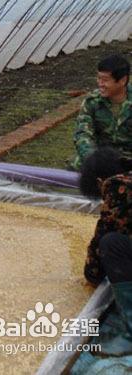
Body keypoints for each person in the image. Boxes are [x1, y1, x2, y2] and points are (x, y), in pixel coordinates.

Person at [79, 147, 132, 356]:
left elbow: (104, 233)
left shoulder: (118, 187)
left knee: (112, 244)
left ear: (100, 182)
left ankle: (130, 335)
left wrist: (91, 273)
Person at [70, 54, 132, 170]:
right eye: (99, 78)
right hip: (100, 157)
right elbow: (82, 133)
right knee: (78, 164)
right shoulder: (92, 102)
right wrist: (93, 158)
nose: (100, 84)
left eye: (105, 80)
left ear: (122, 80)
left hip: (128, 159)